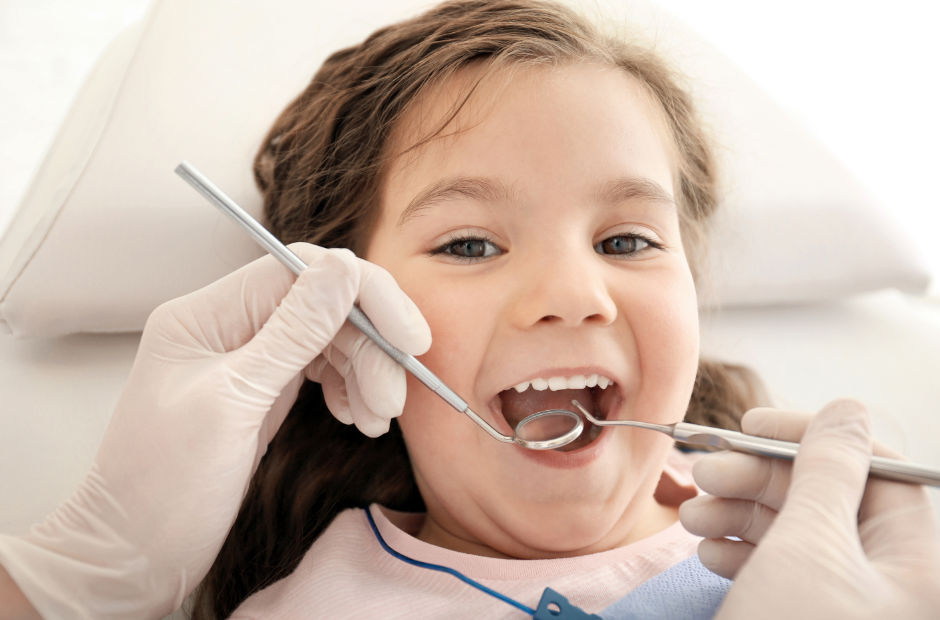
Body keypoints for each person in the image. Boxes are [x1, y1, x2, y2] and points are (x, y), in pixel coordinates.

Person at [0, 1, 937, 618]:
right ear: (348, 324)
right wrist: (78, 575)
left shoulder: (863, 547)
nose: (575, 296)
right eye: (470, 245)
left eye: (626, 242)